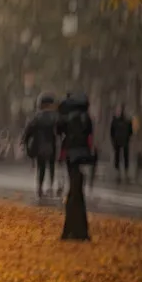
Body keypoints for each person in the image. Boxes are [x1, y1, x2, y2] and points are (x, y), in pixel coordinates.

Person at [57, 92, 95, 241]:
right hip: (84, 156)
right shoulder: (86, 118)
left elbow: (59, 131)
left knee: (73, 192)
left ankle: (71, 230)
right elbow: (89, 137)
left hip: (71, 157)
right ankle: (79, 230)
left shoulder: (67, 118)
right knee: (78, 191)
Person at [22, 95, 59, 198]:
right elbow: (60, 131)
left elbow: (28, 131)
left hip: (40, 146)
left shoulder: (37, 117)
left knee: (41, 168)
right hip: (52, 145)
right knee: (51, 166)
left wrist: (25, 141)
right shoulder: (55, 117)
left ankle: (40, 187)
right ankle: (51, 186)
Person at [110, 105, 134, 182]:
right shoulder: (116, 121)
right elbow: (112, 132)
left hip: (123, 141)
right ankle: (119, 174)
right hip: (120, 141)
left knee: (123, 157)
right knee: (119, 157)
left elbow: (130, 132)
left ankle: (122, 174)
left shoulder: (126, 121)